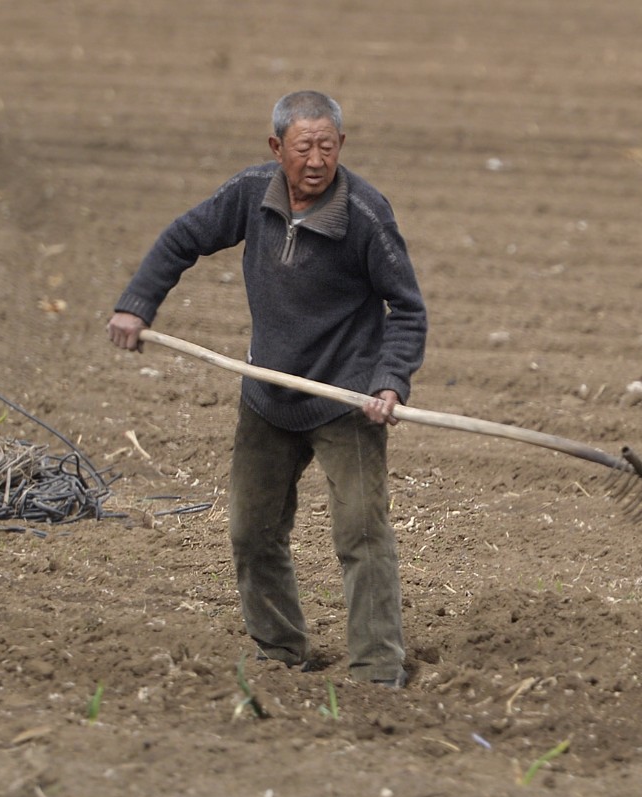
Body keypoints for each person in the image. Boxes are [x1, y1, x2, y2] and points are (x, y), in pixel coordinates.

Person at [107, 90, 428, 688]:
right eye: (303, 147)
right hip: (269, 393)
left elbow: (406, 308)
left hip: (345, 399)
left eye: (327, 147)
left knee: (361, 532)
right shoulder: (250, 194)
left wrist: (389, 382)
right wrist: (137, 304)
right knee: (252, 532)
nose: (315, 160)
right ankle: (281, 649)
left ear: (341, 147)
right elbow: (182, 239)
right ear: (277, 147)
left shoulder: (365, 213)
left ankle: (378, 667)